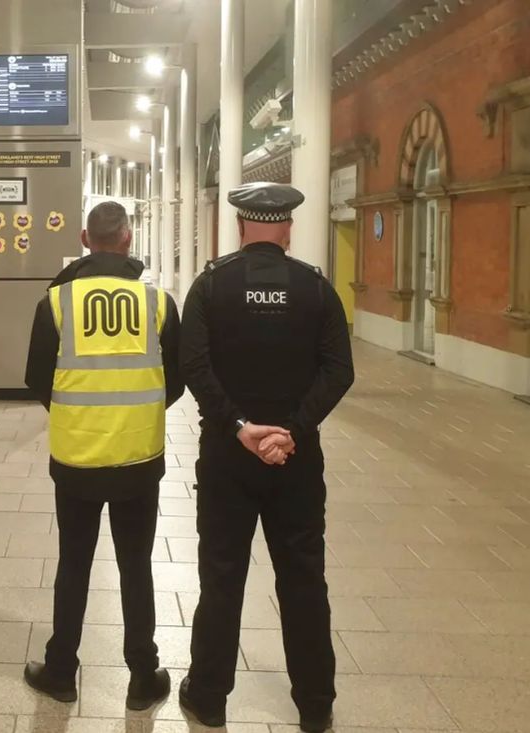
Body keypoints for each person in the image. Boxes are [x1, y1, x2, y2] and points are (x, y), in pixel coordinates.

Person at [178, 182, 355, 732]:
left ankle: (208, 695)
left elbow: (194, 368)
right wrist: (291, 431)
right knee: (303, 578)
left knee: (222, 575)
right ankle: (315, 703)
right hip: (296, 461)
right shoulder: (317, 290)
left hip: (228, 458)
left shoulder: (209, 287)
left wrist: (238, 427)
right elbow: (338, 371)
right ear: (286, 229)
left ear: (239, 226)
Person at [22, 201, 185, 711]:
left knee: (74, 562)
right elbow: (175, 382)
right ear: (128, 239)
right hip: (138, 457)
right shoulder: (158, 303)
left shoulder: (56, 302)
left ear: (85, 239)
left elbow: (36, 378)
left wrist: (75, 412)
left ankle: (61, 672)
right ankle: (142, 676)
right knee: (136, 563)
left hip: (76, 458)